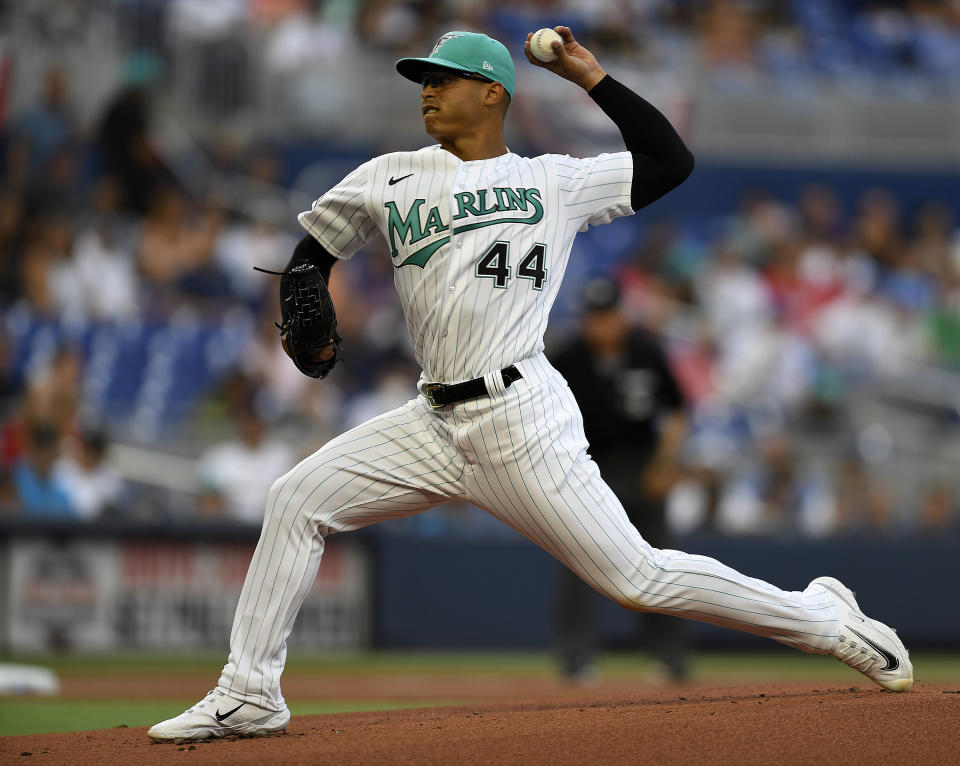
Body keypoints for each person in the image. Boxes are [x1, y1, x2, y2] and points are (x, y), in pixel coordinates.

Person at [149, 27, 912, 744]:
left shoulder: (555, 180)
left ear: (493, 94)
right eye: (423, 79)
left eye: (444, 79)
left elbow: (670, 163)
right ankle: (251, 690)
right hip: (431, 420)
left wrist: (591, 77)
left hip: (520, 417)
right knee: (295, 500)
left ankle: (824, 620)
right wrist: (304, 292)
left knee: (638, 578)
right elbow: (314, 250)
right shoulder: (390, 174)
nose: (426, 91)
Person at [551, 276, 690, 682]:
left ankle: (669, 658)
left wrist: (665, 463)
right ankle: (575, 659)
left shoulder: (646, 351)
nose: (601, 325)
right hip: (589, 466)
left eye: (607, 315)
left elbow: (678, 410)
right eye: (594, 317)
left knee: (660, 560)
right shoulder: (567, 356)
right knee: (578, 561)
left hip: (643, 466)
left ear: (621, 316)